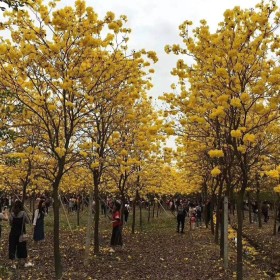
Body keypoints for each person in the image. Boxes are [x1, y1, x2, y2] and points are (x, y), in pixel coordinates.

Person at [9, 200, 33, 268]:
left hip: (13, 233)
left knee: (12, 247)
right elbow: (28, 222)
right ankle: (26, 262)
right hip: (21, 233)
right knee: (22, 247)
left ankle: (13, 264)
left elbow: (10, 223)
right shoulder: (23, 213)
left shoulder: (12, 214)